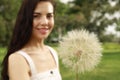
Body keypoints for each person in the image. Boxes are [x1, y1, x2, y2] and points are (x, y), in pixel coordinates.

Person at [1, 0, 62, 80]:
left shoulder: (52, 53)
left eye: (49, 16)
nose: (44, 22)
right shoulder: (18, 59)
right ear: (25, 19)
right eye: (36, 16)